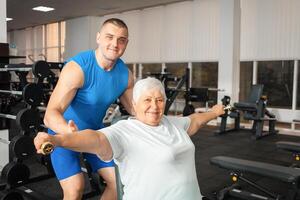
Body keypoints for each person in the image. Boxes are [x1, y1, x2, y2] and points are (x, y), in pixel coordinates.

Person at [36, 77, 225, 200]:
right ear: (134, 104)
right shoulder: (124, 131)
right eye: (147, 100)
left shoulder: (172, 123)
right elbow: (95, 139)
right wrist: (57, 141)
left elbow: (195, 121)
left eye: (159, 100)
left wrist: (214, 112)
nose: (154, 106)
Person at [43, 18, 133, 200]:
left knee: (119, 182)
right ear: (98, 38)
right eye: (110, 37)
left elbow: (136, 110)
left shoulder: (126, 75)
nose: (115, 44)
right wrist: (67, 131)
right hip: (65, 133)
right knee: (75, 189)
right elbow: (50, 114)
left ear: (126, 43)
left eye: (121, 40)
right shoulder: (78, 68)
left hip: (95, 134)